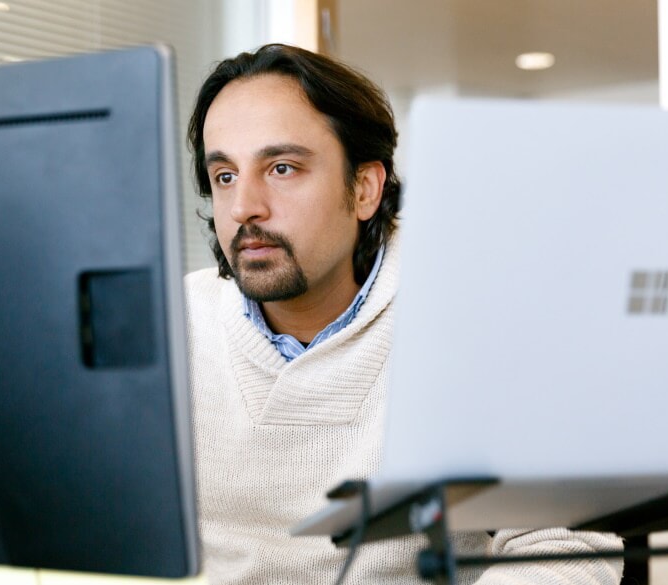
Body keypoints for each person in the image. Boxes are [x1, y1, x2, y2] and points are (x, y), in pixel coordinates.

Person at [183, 43, 623, 584]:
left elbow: (565, 541)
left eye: (281, 167)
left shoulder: (474, 314)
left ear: (365, 188)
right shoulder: (173, 326)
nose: (244, 206)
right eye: (224, 175)